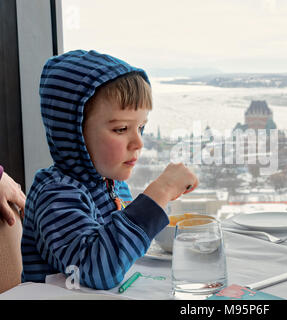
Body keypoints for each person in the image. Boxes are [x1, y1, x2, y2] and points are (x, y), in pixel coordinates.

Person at [21, 50, 199, 289]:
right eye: (121, 129)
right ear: (74, 134)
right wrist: (160, 191)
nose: (138, 142)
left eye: (141, 127)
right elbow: (97, 272)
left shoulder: (112, 184)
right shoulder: (56, 196)